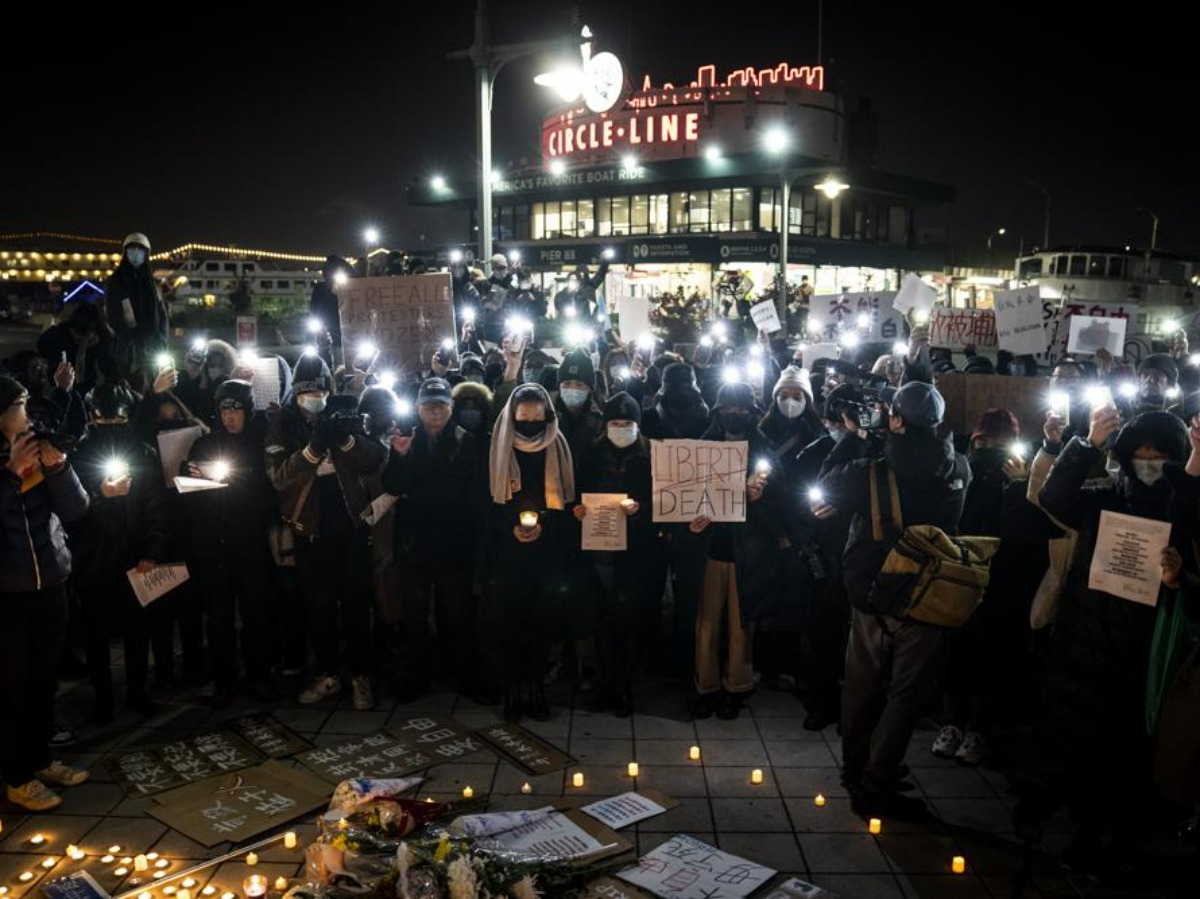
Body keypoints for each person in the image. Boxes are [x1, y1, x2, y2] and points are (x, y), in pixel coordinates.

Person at [1018, 408, 1190, 875]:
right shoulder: (1106, 494)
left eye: (1160, 454)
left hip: (1145, 649)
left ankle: (1128, 836)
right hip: (1088, 639)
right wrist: (1086, 444)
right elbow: (1054, 497)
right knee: (1084, 742)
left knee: (1134, 750)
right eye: (1140, 453)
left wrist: (1177, 577)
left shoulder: (1183, 508)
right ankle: (1083, 828)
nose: (1149, 461)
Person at [820, 381, 971, 819]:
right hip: (928, 596)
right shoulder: (958, 467)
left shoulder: (871, 469)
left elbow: (825, 484)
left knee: (863, 686)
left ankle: (857, 772)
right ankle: (879, 774)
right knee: (905, 696)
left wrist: (855, 436)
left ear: (898, 419)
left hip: (873, 594)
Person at [264, 354, 386, 710]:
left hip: (350, 528)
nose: (313, 397)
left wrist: (346, 440)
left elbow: (374, 459)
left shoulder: (345, 414)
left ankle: (361, 675)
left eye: (319, 391)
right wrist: (313, 450)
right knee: (319, 608)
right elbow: (278, 476)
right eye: (306, 392)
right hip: (310, 531)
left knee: (355, 604)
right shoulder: (282, 425)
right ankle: (328, 674)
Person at [0, 376, 91, 811]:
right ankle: (16, 776)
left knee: (43, 681)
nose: (28, 412)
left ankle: (39, 759)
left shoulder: (39, 446)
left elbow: (77, 509)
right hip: (8, 593)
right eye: (20, 404)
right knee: (12, 688)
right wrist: (10, 476)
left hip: (51, 584)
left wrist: (58, 468)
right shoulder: (8, 464)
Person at [675, 381, 783, 720]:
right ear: (717, 412)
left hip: (747, 552)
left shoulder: (765, 449)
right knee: (706, 621)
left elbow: (782, 503)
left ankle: (737, 686)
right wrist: (688, 522)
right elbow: (682, 496)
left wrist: (759, 499)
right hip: (709, 548)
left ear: (752, 413)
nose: (734, 416)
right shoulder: (701, 448)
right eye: (727, 411)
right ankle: (704, 685)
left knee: (740, 624)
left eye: (741, 411)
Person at [68, 384, 171, 721]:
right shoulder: (80, 455)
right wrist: (100, 496)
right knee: (96, 635)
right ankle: (103, 699)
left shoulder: (142, 453)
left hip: (133, 556)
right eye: (104, 417)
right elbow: (70, 510)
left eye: (117, 417)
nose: (111, 423)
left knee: (138, 630)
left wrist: (152, 550)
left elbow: (157, 506)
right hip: (94, 559)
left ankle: (137, 691)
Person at [380, 378, 486, 703]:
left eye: (441, 404)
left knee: (459, 614)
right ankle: (417, 676)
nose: (435, 411)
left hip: (454, 542)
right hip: (415, 544)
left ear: (451, 407)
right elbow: (394, 486)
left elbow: (470, 492)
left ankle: (467, 676)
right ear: (417, 408)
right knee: (414, 615)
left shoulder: (467, 441)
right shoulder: (405, 440)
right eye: (429, 405)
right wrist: (399, 457)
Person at [480, 383, 576, 721]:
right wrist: (511, 527)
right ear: (512, 416)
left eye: (537, 417)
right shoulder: (495, 446)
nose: (531, 423)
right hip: (506, 552)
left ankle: (535, 687)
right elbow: (484, 501)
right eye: (524, 417)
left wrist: (544, 525)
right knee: (507, 623)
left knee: (541, 622)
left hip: (546, 551)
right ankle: (511, 689)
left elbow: (566, 498)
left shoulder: (559, 445)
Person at [183, 379, 277, 707]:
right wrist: (193, 476)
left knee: (256, 612)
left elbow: (269, 494)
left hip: (250, 541)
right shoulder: (204, 445)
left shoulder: (260, 443)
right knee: (219, 616)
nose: (230, 416)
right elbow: (190, 496)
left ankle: (259, 676)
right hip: (214, 544)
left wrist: (233, 480)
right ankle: (224, 679)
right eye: (224, 409)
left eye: (236, 409)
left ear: (248, 411)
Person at [574, 392, 657, 716]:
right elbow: (576, 495)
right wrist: (579, 511)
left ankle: (624, 688)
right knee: (601, 621)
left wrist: (641, 510)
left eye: (627, 423)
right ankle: (604, 686)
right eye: (615, 422)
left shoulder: (651, 455)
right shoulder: (592, 454)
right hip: (600, 553)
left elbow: (665, 504)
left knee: (629, 623)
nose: (621, 428)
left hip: (637, 554)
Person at [104, 233, 168, 383]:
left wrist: (162, 340)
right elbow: (113, 317)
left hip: (153, 347)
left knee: (154, 387)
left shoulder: (153, 283)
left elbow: (163, 314)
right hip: (128, 348)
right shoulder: (115, 281)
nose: (136, 253)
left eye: (141, 250)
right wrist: (131, 341)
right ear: (125, 252)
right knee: (130, 387)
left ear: (146, 254)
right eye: (132, 249)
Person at [37, 301, 121, 394]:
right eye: (79, 338)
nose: (82, 343)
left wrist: (115, 385)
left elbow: (108, 364)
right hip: (60, 384)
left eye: (88, 340)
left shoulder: (100, 338)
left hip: (87, 385)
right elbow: (43, 348)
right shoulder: (58, 335)